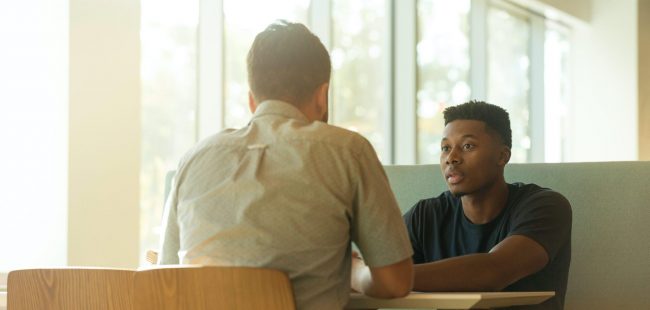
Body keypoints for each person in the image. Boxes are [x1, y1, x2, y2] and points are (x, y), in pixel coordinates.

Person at [158, 20, 413, 310]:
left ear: (252, 100)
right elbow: (395, 283)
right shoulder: (347, 151)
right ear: (322, 96)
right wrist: (355, 272)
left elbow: (167, 278)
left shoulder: (193, 159)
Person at [403, 101, 572, 310]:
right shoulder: (425, 216)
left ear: (502, 156)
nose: (451, 158)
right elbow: (368, 277)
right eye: (445, 148)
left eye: (467, 146)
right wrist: (370, 276)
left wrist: (386, 277)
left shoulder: (545, 206)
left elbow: (494, 271)